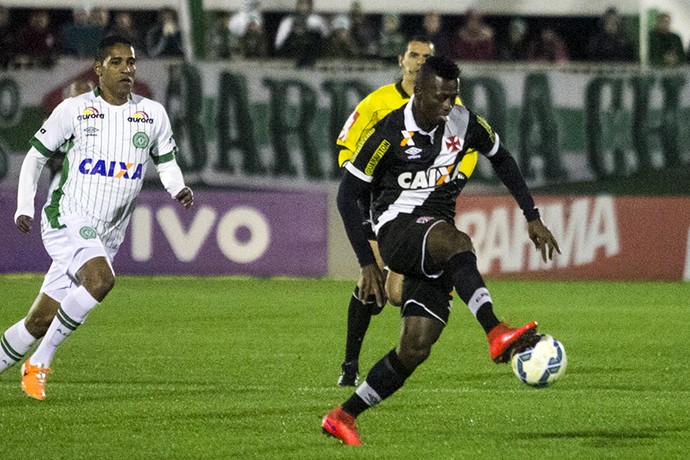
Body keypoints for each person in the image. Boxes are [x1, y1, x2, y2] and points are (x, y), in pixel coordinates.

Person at [323, 55, 560, 445]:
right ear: (418, 92)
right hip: (397, 231)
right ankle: (496, 330)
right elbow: (348, 194)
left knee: (416, 346)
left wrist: (531, 216)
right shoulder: (388, 133)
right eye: (440, 98)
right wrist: (367, 262)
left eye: (453, 96)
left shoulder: (463, 122)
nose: (448, 105)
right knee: (457, 242)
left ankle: (344, 415)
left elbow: (502, 157)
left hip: (430, 239)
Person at [0, 35, 194, 400]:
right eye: (117, 62)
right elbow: (35, 156)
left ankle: (19, 357)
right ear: (99, 68)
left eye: (131, 62)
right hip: (67, 217)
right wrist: (24, 204)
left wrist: (177, 187)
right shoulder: (74, 110)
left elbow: (165, 161)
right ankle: (39, 363)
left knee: (40, 320)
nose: (127, 69)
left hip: (108, 233)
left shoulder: (152, 114)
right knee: (101, 280)